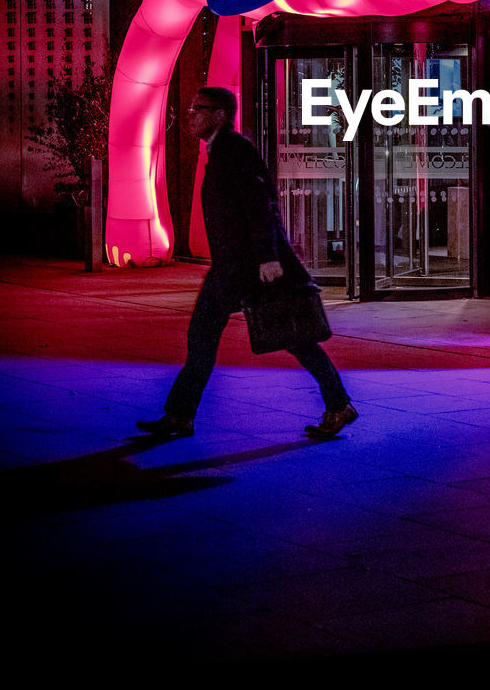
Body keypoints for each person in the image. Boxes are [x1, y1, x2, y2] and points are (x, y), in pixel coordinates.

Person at [137, 86, 357, 440]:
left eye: (199, 108)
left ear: (221, 114)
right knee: (257, 336)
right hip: (236, 265)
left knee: (286, 334)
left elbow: (260, 204)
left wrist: (268, 257)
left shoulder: (235, 150)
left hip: (248, 267)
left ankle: (180, 416)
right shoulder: (222, 149)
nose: (191, 114)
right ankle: (180, 415)